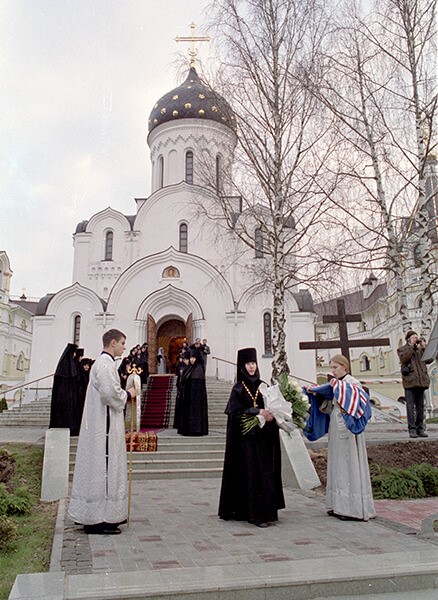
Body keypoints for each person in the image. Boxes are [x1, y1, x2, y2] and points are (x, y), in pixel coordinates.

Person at [68, 329, 137, 535]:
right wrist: (129, 393)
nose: (125, 347)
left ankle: (96, 514)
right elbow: (110, 394)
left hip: (102, 423)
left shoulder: (103, 364)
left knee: (99, 467)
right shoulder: (105, 365)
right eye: (123, 343)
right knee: (105, 465)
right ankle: (99, 519)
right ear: (113, 342)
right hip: (104, 428)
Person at [218, 347, 285, 528]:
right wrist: (256, 412)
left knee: (264, 473)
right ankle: (252, 514)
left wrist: (271, 414)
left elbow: (272, 406)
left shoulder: (264, 386)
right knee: (250, 474)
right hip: (245, 442)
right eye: (248, 363)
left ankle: (267, 511)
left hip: (263, 439)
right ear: (242, 366)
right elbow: (235, 414)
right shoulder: (238, 389)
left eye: (253, 363)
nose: (252, 367)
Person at [309, 354, 375, 522]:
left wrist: (334, 387)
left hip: (348, 427)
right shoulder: (338, 385)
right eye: (331, 368)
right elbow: (330, 401)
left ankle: (352, 508)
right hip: (336, 425)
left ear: (345, 367)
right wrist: (318, 393)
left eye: (335, 367)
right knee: (337, 461)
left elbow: (355, 400)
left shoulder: (352, 383)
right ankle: (337, 504)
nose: (332, 371)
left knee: (349, 462)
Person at [397, 330, 431, 438]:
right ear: (408, 339)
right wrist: (412, 346)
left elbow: (429, 360)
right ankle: (412, 429)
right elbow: (404, 358)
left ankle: (420, 428)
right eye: (413, 338)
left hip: (421, 381)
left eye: (416, 337)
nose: (416, 339)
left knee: (420, 406)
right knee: (410, 407)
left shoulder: (420, 351)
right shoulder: (402, 349)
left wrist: (424, 347)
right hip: (410, 382)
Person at [49, 342, 82, 436]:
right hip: (64, 398)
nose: (75, 355)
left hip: (70, 397)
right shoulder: (63, 368)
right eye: (74, 352)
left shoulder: (70, 367)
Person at [177, 349, 208, 436]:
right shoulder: (188, 368)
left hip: (196, 397)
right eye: (191, 358)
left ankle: (196, 430)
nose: (192, 360)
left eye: (194, 358)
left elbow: (199, 386)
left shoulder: (199, 369)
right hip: (187, 396)